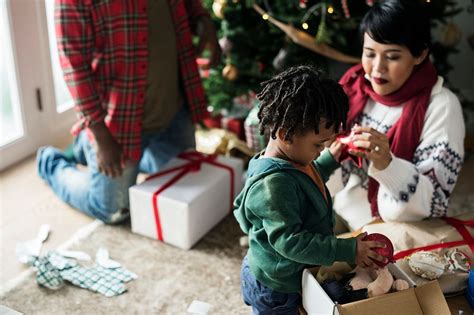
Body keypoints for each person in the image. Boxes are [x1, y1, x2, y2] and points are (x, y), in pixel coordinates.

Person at [37, 0, 221, 223]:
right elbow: (74, 69)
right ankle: (52, 161)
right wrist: (101, 136)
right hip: (117, 125)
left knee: (185, 190)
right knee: (113, 210)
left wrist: (203, 20)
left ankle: (87, 149)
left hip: (173, 112)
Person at [233, 65, 387, 314]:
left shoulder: (294, 160)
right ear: (286, 134)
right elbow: (290, 243)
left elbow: (306, 183)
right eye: (318, 144)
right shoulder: (274, 185)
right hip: (277, 287)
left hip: (290, 274)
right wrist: (347, 249)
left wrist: (329, 160)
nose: (321, 150)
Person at [329, 0, 466, 232]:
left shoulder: (442, 107)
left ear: (420, 54)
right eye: (369, 54)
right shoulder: (353, 88)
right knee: (271, 253)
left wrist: (387, 164)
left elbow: (433, 203)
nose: (377, 68)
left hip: (396, 230)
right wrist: (328, 153)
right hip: (338, 209)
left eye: (392, 57)